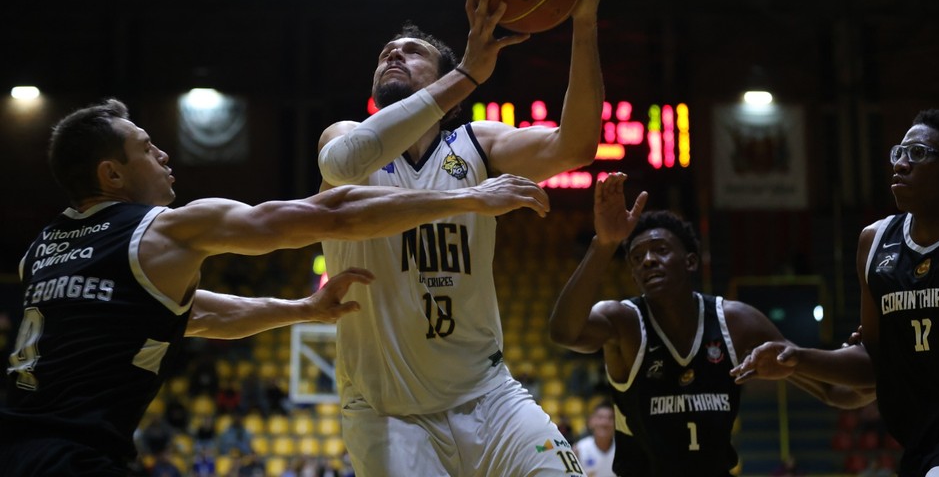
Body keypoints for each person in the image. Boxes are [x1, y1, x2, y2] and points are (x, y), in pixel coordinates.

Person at [0, 98, 551, 477]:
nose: (162, 154)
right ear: (112, 175)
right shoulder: (163, 230)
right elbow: (332, 213)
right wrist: (469, 198)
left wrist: (304, 308)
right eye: (145, 147)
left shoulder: (39, 251)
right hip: (71, 458)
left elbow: (198, 315)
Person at [316, 0, 606, 476]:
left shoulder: (477, 143)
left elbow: (576, 146)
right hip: (387, 411)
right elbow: (341, 167)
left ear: (443, 85)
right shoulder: (346, 137)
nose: (394, 53)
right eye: (386, 53)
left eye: (413, 52)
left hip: (488, 395)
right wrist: (468, 76)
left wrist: (584, 22)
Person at [549, 173, 872, 477]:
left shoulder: (738, 321)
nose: (648, 260)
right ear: (633, 274)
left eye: (660, 250)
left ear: (690, 261)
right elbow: (564, 332)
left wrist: (876, 368)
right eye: (637, 258)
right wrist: (604, 244)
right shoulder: (623, 320)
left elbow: (838, 393)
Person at [732, 108, 939, 477]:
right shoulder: (875, 242)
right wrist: (796, 357)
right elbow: (871, 365)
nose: (901, 164)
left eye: (918, 154)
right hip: (922, 440)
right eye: (899, 153)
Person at [574, 401, 617, 477]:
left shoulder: (623, 449)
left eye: (610, 418)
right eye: (600, 417)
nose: (605, 423)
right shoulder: (578, 449)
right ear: (591, 422)